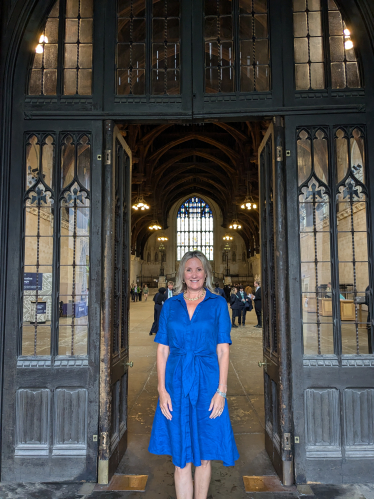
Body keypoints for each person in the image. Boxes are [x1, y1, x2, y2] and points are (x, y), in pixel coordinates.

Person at [148, 250, 239, 499]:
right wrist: (161, 389)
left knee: (204, 456)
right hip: (175, 382)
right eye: (189, 269)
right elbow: (163, 351)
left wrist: (221, 390)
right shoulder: (170, 305)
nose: (194, 274)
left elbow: (222, 350)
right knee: (180, 458)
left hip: (208, 382)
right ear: (182, 274)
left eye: (199, 269)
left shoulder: (218, 304)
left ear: (206, 273)